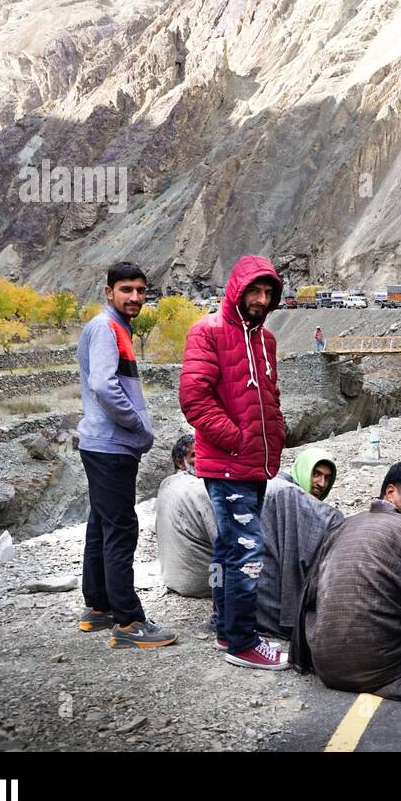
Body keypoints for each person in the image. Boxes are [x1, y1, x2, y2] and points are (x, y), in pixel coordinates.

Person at [180, 254, 288, 670]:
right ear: (237, 290)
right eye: (254, 291)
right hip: (227, 463)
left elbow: (268, 396)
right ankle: (244, 642)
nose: (261, 299)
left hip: (255, 462)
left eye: (268, 292)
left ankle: (225, 628)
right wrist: (237, 439)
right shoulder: (207, 332)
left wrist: (274, 433)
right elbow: (194, 398)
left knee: (227, 549)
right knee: (246, 550)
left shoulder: (266, 340)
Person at [292, 463, 401, 699]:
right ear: (391, 492)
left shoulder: (344, 525)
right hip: (377, 667)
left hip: (326, 666)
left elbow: (309, 595)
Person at [77, 262, 176, 649]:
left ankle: (98, 607)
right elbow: (103, 384)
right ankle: (129, 621)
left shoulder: (113, 326)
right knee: (121, 530)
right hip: (111, 445)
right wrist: (138, 425)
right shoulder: (106, 327)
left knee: (101, 525)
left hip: (100, 444)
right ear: (109, 292)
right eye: (126, 290)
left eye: (140, 290)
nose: (135, 297)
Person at [256, 473, 343, 640]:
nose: (321, 483)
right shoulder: (287, 496)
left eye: (327, 478)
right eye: (316, 475)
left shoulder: (310, 513)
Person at [154, 435, 221, 597]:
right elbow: (223, 541)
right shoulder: (199, 489)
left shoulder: (166, 484)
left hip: (173, 577)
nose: (203, 458)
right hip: (204, 581)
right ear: (179, 462)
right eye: (195, 455)